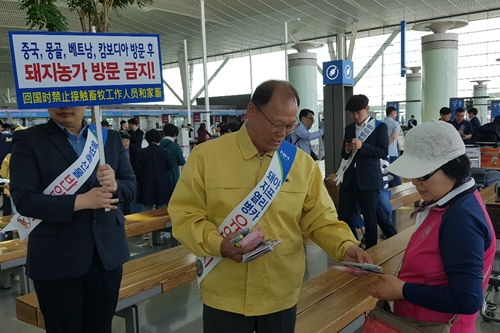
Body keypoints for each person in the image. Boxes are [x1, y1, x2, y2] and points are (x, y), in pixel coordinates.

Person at [169, 80, 371, 333]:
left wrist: (345, 245)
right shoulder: (206, 157)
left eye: (290, 125)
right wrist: (217, 243)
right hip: (224, 293)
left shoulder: (301, 164)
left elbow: (320, 218)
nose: (283, 133)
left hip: (280, 292)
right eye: (277, 124)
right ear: (251, 111)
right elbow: (185, 215)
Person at [10, 106, 136, 333]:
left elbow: (132, 186)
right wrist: (82, 201)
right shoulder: (29, 139)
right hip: (56, 258)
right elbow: (25, 200)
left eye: (72, 98)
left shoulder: (109, 138)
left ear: (86, 102)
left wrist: (116, 185)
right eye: (57, 98)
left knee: (100, 327)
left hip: (107, 256)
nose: (64, 106)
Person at [365, 120, 496, 333]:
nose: (415, 181)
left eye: (423, 174)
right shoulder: (447, 202)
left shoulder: (461, 219)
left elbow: (467, 299)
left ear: (452, 166)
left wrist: (403, 290)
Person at [336, 94, 389, 249]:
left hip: (368, 179)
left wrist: (362, 146)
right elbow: (345, 155)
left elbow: (383, 151)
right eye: (351, 114)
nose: (355, 116)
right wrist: (346, 148)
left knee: (370, 217)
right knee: (345, 216)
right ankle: (353, 246)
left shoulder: (379, 127)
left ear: (367, 109)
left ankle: (371, 250)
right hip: (350, 179)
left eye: (358, 113)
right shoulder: (349, 128)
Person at [136, 129, 174, 211]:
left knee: (146, 210)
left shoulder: (141, 152)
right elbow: (170, 166)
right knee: (162, 209)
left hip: (146, 185)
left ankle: (146, 224)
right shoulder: (164, 152)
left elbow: (137, 170)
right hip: (162, 185)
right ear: (159, 139)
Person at [383, 106, 402, 187]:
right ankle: (399, 192)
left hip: (382, 153)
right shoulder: (395, 123)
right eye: (396, 113)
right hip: (392, 153)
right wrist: (386, 146)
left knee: (384, 173)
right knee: (396, 173)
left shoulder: (381, 123)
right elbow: (394, 136)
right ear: (392, 112)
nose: (396, 115)